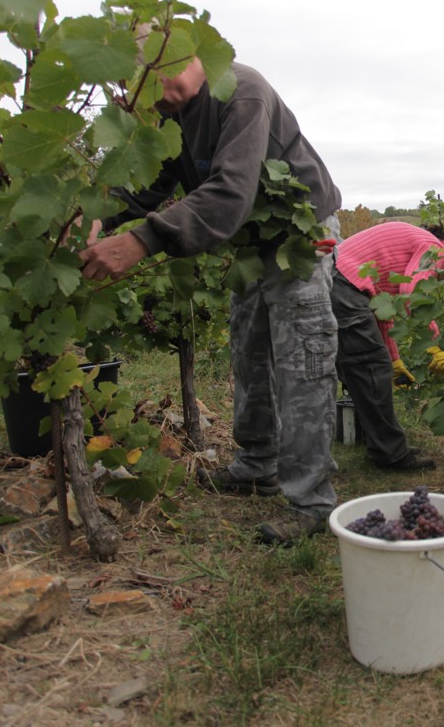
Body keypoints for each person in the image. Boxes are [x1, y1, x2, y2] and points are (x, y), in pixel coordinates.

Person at [79, 55, 344, 548]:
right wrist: (98, 219)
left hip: (300, 232)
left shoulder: (242, 90)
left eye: (156, 75)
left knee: (301, 356)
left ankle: (311, 501)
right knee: (248, 348)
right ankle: (256, 465)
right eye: (135, 84)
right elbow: (146, 186)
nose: (150, 92)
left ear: (188, 55)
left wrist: (140, 241)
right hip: (250, 239)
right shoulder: (164, 111)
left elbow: (229, 192)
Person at [331, 220, 444, 470]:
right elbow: (413, 288)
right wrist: (434, 344)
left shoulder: (417, 247)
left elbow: (383, 313)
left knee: (368, 369)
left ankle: (381, 443)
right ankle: (390, 455)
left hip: (340, 283)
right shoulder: (435, 249)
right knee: (370, 369)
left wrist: (394, 360)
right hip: (344, 285)